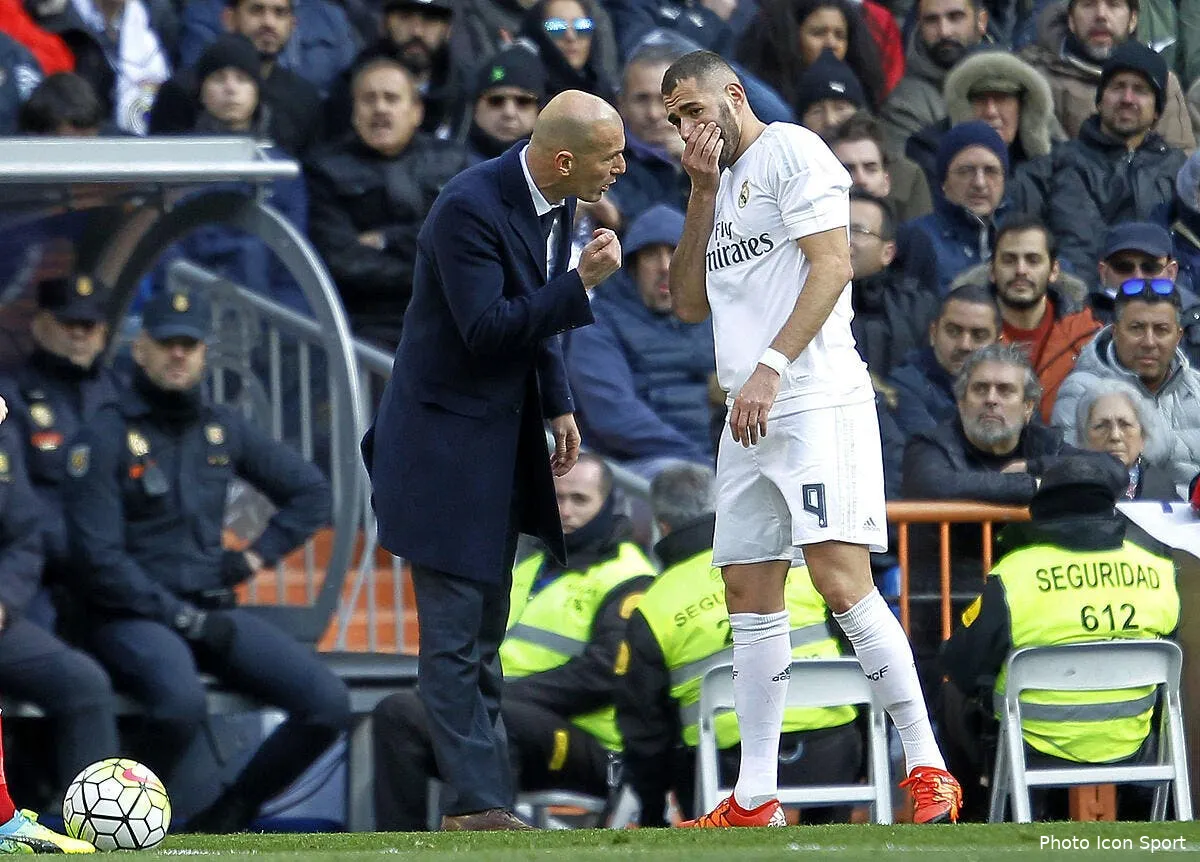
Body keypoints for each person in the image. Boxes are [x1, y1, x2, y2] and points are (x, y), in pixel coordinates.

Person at [660, 49, 961, 827]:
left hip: (812, 396)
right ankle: (755, 795)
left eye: (693, 110)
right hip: (747, 413)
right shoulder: (715, 185)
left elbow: (832, 269)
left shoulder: (792, 148)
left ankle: (928, 766)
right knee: (748, 592)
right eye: (673, 120)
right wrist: (698, 193)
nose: (686, 128)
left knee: (837, 579)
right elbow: (689, 305)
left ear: (731, 96)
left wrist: (767, 367)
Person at [362, 89, 626, 831]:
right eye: (612, 156)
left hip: (496, 448)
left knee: (483, 635)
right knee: (453, 642)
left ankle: (483, 803)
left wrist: (558, 399)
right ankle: (478, 807)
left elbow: (529, 322)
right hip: (441, 453)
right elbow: (487, 328)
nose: (622, 169)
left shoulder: (558, 202)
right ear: (566, 158)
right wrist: (581, 286)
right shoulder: (467, 209)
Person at [63, 288, 350, 832]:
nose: (178, 355)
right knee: (179, 706)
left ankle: (227, 814)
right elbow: (96, 560)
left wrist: (253, 559)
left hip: (207, 610)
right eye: (167, 343)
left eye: (190, 344)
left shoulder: (220, 426)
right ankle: (105, 825)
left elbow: (311, 492)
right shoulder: (103, 434)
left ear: (203, 353)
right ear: (141, 350)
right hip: (128, 614)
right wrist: (182, 619)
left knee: (328, 703)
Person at [371, 454, 655, 830]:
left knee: (492, 718)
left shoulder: (630, 576)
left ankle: (488, 836)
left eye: (580, 499)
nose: (565, 510)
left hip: (591, 744)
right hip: (515, 716)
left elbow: (603, 675)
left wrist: (501, 694)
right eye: (557, 499)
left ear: (607, 504)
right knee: (399, 712)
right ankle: (402, 845)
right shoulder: (529, 566)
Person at [617, 463, 865, 826]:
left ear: (663, 526)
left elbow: (644, 729)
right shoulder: (800, 568)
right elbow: (862, 658)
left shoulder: (654, 604)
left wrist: (654, 813)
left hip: (723, 770)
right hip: (831, 755)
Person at [939, 454, 1179, 821]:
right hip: (1132, 743)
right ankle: (1146, 815)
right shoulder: (1158, 572)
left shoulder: (1014, 575)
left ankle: (971, 809)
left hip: (1032, 744)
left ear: (1043, 510)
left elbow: (960, 663)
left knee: (951, 691)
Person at [305, 56, 467, 350]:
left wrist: (385, 239)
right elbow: (344, 260)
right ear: (354, 112)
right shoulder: (324, 169)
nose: (380, 108)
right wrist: (430, 268)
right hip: (367, 326)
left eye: (391, 98)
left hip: (450, 317)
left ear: (416, 111)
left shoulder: (453, 161)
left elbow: (464, 242)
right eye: (369, 99)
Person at [564, 204, 715, 475]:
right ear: (631, 267)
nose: (665, 267)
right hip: (641, 465)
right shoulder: (596, 325)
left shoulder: (714, 316)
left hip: (716, 458)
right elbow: (614, 418)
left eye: (676, 252)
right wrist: (702, 463)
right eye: (651, 256)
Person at [1046, 41, 1187, 276]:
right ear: (1100, 101)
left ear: (1157, 112)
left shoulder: (1178, 167)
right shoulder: (1066, 162)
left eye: (1140, 90)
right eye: (1118, 87)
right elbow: (1078, 247)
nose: (1127, 99)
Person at [1053, 277, 1200, 493]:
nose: (1149, 342)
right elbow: (1073, 471)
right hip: (1116, 518)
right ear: (1115, 331)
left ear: (1178, 336)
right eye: (1137, 328)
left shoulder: (1197, 388)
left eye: (1161, 330)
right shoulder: (1080, 390)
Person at [149, 0, 323, 157]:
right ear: (229, 19)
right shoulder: (180, 92)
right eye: (256, 10)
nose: (269, 23)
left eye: (279, 13)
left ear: (292, 25)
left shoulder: (304, 98)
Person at [1019, 0, 1195, 151]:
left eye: (1113, 4)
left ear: (1133, 19)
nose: (1101, 15)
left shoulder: (1161, 81)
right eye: (1088, 4)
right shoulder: (1035, 76)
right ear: (1071, 19)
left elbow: (1180, 165)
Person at [987, 216, 1102, 421]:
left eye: (1033, 260)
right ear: (992, 270)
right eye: (1009, 260)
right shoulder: (969, 335)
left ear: (1054, 270)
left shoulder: (1089, 337)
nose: (1021, 270)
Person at [898, 120, 1011, 294]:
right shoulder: (917, 238)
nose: (979, 183)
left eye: (990, 171)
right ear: (944, 182)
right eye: (965, 171)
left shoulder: (1023, 237)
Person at [887, 284, 1001, 440]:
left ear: (997, 343)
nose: (964, 345)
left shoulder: (1014, 387)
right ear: (933, 333)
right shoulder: (905, 385)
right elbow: (927, 456)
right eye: (953, 331)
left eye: (979, 335)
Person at [879, 0, 989, 151]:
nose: (944, 31)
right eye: (931, 20)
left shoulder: (1013, 79)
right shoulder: (904, 104)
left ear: (981, 21)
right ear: (919, 25)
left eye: (955, 17)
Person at [1070, 378, 1175, 499]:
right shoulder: (1066, 489)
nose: (1115, 436)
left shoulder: (1163, 489)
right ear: (1082, 438)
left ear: (1143, 436)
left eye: (1125, 424)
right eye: (1102, 426)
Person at [465, 46, 546, 164]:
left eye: (523, 101)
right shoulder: (444, 170)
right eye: (496, 100)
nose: (509, 112)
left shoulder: (558, 174)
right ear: (475, 107)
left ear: (540, 110)